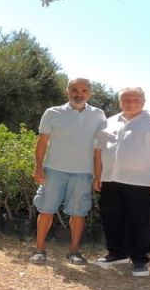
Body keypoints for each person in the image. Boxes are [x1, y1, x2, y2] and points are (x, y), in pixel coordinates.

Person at [93, 87, 150, 277]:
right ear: (119, 101)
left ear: (144, 101)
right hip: (110, 180)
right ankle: (117, 253)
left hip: (143, 182)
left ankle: (139, 260)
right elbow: (98, 151)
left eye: (135, 99)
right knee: (111, 218)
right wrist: (98, 176)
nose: (130, 102)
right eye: (125, 99)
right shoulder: (108, 122)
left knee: (142, 221)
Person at [30, 78, 107, 264]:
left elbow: (100, 149)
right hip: (53, 170)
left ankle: (74, 252)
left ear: (90, 93)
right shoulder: (52, 113)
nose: (78, 94)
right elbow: (41, 144)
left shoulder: (99, 115)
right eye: (74, 90)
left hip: (83, 173)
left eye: (83, 90)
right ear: (67, 91)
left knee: (78, 214)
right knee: (46, 210)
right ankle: (40, 250)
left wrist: (99, 175)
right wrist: (38, 167)